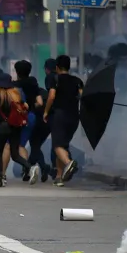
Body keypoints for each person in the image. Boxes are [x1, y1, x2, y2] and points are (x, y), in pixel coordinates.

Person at [0, 73, 39, 186]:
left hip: (3, 127)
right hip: (16, 127)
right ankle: (30, 167)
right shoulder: (16, 94)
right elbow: (26, 107)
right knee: (15, 154)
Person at [43, 55, 81, 187]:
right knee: (63, 145)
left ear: (57, 67)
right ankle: (59, 177)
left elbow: (52, 96)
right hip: (75, 116)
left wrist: (46, 111)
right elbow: (82, 96)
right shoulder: (77, 80)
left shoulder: (55, 79)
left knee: (57, 145)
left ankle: (68, 163)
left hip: (60, 115)